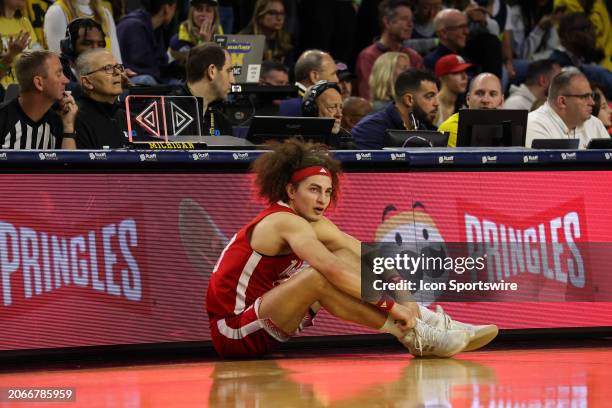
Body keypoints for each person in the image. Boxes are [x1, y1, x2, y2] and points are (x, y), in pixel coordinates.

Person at [206, 137, 497, 358]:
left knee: (345, 252)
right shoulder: (283, 221)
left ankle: (426, 319)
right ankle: (412, 335)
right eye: (314, 190)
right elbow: (329, 270)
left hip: (270, 317)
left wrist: (406, 299)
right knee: (319, 276)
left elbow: (369, 255)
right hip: (233, 331)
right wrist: (392, 308)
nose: (322, 199)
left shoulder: (311, 223)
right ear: (291, 191)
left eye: (328, 191)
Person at [0, 50, 77, 149]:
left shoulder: (59, 123)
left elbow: (69, 163)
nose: (66, 80)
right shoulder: (3, 118)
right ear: (39, 83)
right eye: (59, 74)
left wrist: (68, 126)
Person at [352, 69, 439, 149]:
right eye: (429, 96)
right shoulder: (370, 129)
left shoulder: (421, 128)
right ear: (409, 100)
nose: (436, 103)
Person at [526, 67, 610, 148]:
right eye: (585, 97)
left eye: (591, 95)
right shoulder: (535, 125)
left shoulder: (594, 124)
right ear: (562, 101)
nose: (592, 102)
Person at [355, 0, 423, 100]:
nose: (410, 25)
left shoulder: (414, 57)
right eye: (404, 19)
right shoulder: (368, 56)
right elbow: (368, 96)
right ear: (387, 22)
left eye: (411, 20)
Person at [173, 42, 235, 136]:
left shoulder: (222, 122)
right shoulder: (167, 112)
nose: (233, 80)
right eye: (229, 71)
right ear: (212, 71)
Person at [73, 48, 127, 149]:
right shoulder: (75, 117)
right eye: (108, 68)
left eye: (118, 67)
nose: (117, 73)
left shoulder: (128, 116)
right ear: (87, 82)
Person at [116, 0, 177, 85]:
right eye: (174, 8)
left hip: (149, 78)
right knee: (148, 80)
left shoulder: (156, 29)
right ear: (166, 8)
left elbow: (160, 64)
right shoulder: (134, 26)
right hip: (128, 81)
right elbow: (140, 69)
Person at [438, 72, 504, 147]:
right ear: (468, 99)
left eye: (493, 94)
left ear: (501, 101)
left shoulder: (513, 128)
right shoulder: (450, 129)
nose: (485, 100)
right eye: (479, 93)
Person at [43, 0, 121, 64]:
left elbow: (116, 57)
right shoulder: (57, 11)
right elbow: (61, 61)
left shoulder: (105, 13)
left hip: (108, 74)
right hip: (80, 79)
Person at [278, 49, 338, 117]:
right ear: (314, 76)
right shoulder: (300, 108)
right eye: (333, 74)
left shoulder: (288, 100)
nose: (337, 80)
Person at [58, 17, 107, 95]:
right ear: (70, 47)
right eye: (87, 43)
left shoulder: (107, 69)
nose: (95, 49)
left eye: (100, 44)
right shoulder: (57, 69)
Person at [301, 80, 355, 149]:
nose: (339, 114)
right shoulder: (299, 143)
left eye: (341, 107)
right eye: (332, 107)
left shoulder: (346, 139)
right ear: (312, 110)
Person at [0, 0, 41, 88]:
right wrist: (10, 56)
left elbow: (38, 60)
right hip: (5, 95)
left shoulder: (24, 22)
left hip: (27, 91)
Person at [169, 0, 222, 67]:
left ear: (214, 15)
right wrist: (204, 43)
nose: (203, 14)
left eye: (208, 10)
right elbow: (196, 69)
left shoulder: (221, 39)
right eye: (199, 9)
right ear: (192, 13)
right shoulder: (178, 40)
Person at [238, 0, 292, 65]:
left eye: (282, 13)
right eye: (273, 13)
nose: (279, 18)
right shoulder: (243, 40)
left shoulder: (284, 42)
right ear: (260, 15)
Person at [434, 54, 471, 126]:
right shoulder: (432, 105)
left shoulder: (465, 106)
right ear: (442, 77)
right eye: (457, 72)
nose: (464, 77)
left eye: (465, 71)